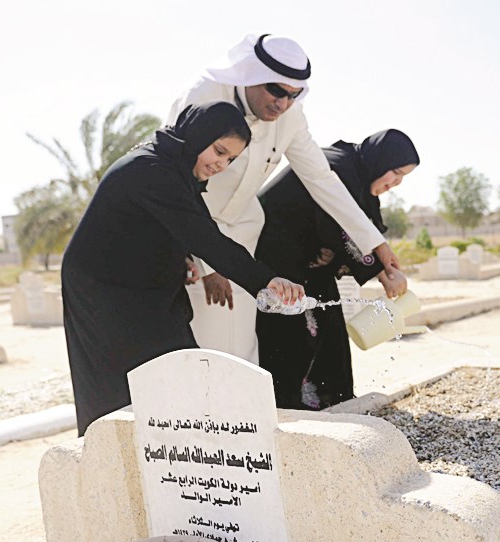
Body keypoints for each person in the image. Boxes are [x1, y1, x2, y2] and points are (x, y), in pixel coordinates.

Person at [61, 102, 304, 435]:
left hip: (142, 285)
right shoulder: (152, 169)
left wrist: (179, 259)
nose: (221, 165)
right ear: (198, 135)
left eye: (230, 159)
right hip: (104, 290)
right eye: (219, 151)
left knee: (177, 368)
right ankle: (106, 452)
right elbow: (206, 238)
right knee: (119, 383)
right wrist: (265, 280)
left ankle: (177, 449)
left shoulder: (173, 170)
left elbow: (171, 227)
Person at [167, 34, 404, 365]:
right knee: (205, 337)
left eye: (293, 95)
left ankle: (242, 399)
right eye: (275, 91)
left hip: (243, 233)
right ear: (251, 75)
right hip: (191, 231)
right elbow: (174, 181)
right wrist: (208, 263)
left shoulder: (291, 116)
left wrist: (375, 243)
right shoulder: (204, 95)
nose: (282, 104)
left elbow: (321, 179)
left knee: (242, 339)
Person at [255, 129, 419, 409]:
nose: (397, 183)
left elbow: (363, 227)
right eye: (396, 173)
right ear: (380, 161)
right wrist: (381, 272)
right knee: (293, 333)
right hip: (275, 261)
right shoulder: (336, 166)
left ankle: (331, 402)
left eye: (403, 177)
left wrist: (384, 268)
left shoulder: (358, 177)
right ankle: (286, 407)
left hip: (309, 266)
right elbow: (339, 225)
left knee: (330, 329)